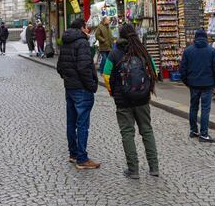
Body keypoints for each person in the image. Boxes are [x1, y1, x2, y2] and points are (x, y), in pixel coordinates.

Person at [103, 23, 159, 179]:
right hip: (142, 99)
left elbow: (106, 75)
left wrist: (112, 92)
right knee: (147, 130)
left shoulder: (114, 53)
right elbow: (155, 71)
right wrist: (146, 88)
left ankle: (133, 170)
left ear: (120, 36)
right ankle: (154, 167)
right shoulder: (142, 50)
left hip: (123, 101)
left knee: (127, 133)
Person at [56, 18, 100, 170]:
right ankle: (82, 158)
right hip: (82, 88)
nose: (88, 29)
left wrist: (68, 79)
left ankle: (73, 154)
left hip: (70, 88)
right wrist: (92, 85)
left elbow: (60, 67)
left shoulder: (66, 42)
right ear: (82, 28)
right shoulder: (82, 43)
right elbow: (84, 68)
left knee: (71, 122)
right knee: (82, 124)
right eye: (86, 27)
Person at [178, 29, 215, 143]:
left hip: (193, 84)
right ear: (206, 38)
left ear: (195, 38)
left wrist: (187, 82)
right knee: (205, 109)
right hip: (208, 84)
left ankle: (193, 130)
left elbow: (182, 70)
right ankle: (204, 134)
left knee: (193, 107)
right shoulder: (212, 51)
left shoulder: (188, 51)